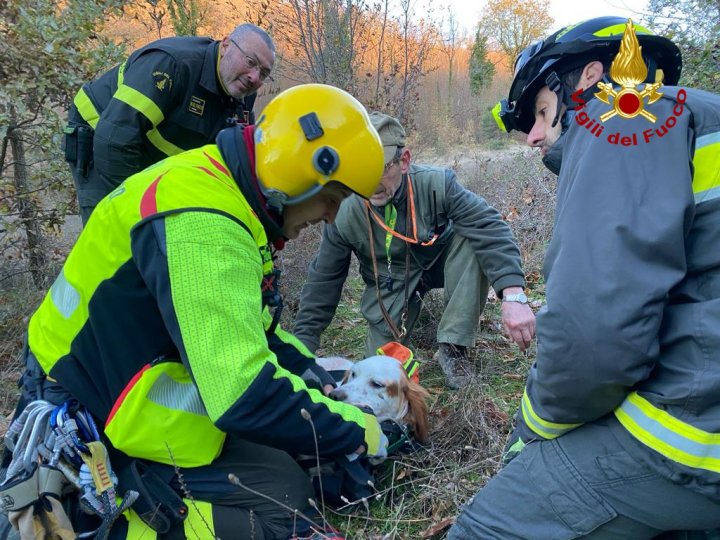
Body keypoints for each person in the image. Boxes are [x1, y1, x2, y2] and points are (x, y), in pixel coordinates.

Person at [15, 84, 388, 540]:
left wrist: (313, 376)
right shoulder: (204, 224)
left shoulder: (222, 188)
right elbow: (242, 395)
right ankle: (104, 521)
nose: (331, 217)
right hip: (86, 409)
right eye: (332, 198)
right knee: (283, 517)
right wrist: (358, 431)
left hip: (123, 377)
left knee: (288, 479)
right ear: (300, 172)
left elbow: (253, 331)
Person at [450, 16, 720, 538]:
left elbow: (595, 337)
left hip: (698, 438)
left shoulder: (624, 117)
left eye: (540, 112)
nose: (531, 136)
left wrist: (533, 430)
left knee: (487, 527)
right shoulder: (697, 117)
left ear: (589, 77)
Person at [293, 112, 536, 389]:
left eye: (381, 169)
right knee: (379, 372)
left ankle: (453, 349)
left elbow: (489, 226)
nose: (371, 182)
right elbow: (324, 279)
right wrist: (302, 347)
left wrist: (513, 294)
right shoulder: (344, 212)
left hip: (442, 263)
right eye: (363, 169)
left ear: (404, 160)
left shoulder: (437, 183)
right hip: (390, 281)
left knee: (471, 239)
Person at [65, 22, 275, 224]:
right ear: (226, 45)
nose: (254, 77)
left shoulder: (242, 91)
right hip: (100, 135)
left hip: (146, 150)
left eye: (264, 73)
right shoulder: (172, 64)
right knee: (114, 232)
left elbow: (237, 161)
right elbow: (114, 140)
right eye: (250, 61)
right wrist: (139, 209)